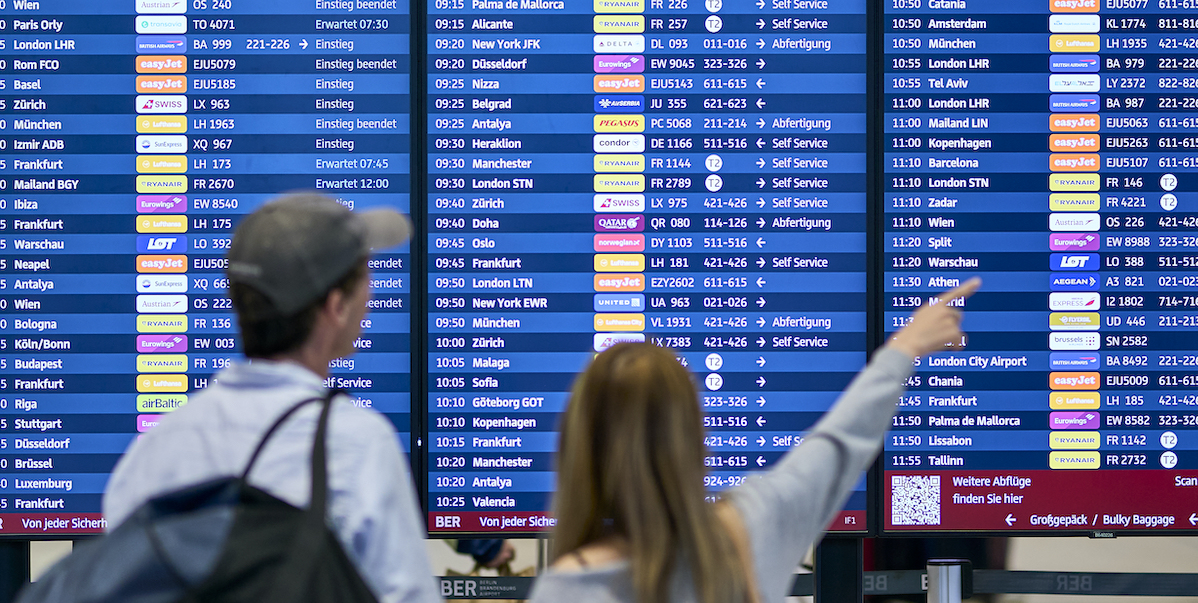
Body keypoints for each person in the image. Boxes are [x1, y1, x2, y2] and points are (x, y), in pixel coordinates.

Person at [530, 278, 982, 603]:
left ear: (577, 445)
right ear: (692, 436)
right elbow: (839, 441)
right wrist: (904, 347)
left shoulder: (567, 589)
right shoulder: (752, 526)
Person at [103, 193, 441, 603]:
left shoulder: (153, 449)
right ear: (335, 307)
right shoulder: (355, 445)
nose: (370, 297)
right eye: (366, 278)